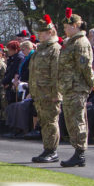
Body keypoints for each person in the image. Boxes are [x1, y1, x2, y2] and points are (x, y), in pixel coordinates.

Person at [58, 8, 94, 167]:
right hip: (68, 86)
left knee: (77, 119)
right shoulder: (70, 42)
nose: (65, 30)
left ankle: (80, 153)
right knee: (70, 120)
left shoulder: (80, 42)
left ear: (75, 26)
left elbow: (85, 65)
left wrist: (91, 82)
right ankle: (77, 151)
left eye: (67, 27)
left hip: (77, 86)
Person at [29, 15, 62, 163]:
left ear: (51, 32)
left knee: (51, 122)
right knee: (44, 122)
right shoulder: (40, 49)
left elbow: (57, 73)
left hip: (49, 93)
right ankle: (47, 148)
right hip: (39, 92)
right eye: (39, 32)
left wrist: (56, 93)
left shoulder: (55, 49)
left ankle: (52, 150)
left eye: (42, 32)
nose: (39, 34)